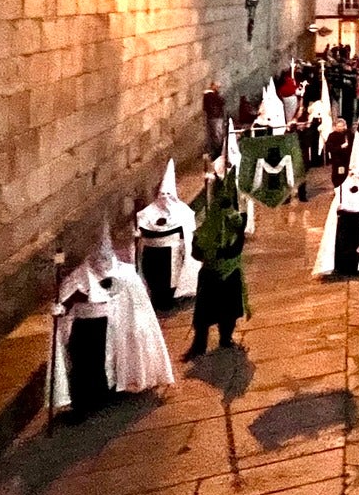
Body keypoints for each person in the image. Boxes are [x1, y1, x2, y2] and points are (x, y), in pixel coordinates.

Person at [51, 225, 173, 419]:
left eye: (106, 258)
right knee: (87, 366)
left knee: (112, 361)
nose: (102, 263)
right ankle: (85, 404)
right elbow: (65, 301)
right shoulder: (79, 276)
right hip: (87, 328)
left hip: (116, 328)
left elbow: (136, 305)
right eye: (98, 258)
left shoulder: (125, 274)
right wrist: (62, 307)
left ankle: (110, 391)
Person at [186, 168, 251, 358]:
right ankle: (200, 344)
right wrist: (210, 250)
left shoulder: (236, 223)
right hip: (210, 274)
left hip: (229, 272)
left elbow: (237, 241)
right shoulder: (204, 229)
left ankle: (226, 338)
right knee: (205, 313)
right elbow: (196, 253)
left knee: (229, 311)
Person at [133, 160, 198, 312]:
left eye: (168, 194)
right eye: (162, 194)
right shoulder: (149, 211)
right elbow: (141, 225)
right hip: (152, 250)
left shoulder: (182, 210)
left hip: (172, 251)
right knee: (154, 277)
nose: (165, 198)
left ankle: (169, 300)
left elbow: (187, 229)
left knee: (170, 279)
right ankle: (157, 300)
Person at [314, 152, 359, 278]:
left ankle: (354, 265)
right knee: (346, 246)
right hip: (347, 221)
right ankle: (346, 267)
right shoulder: (344, 189)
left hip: (356, 220)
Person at [201, 81, 227, 159]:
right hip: (215, 117)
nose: (218, 88)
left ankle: (216, 151)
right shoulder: (211, 95)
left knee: (214, 134)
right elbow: (222, 102)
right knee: (217, 135)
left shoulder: (208, 95)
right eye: (217, 87)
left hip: (213, 117)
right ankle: (218, 152)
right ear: (213, 86)